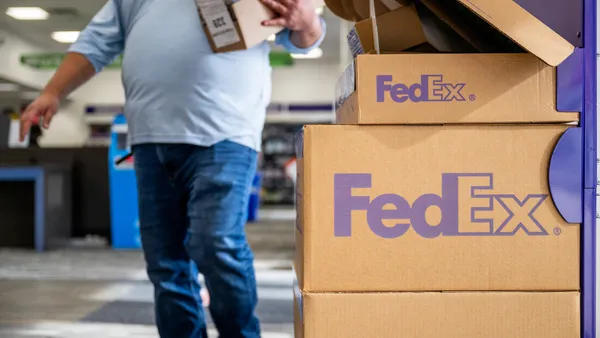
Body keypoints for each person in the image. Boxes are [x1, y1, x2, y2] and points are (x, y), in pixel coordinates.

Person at [19, 0, 325, 337]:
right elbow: (96, 41)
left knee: (216, 243)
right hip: (150, 137)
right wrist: (52, 91)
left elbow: (306, 37)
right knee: (166, 262)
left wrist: (306, 20)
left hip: (225, 133)